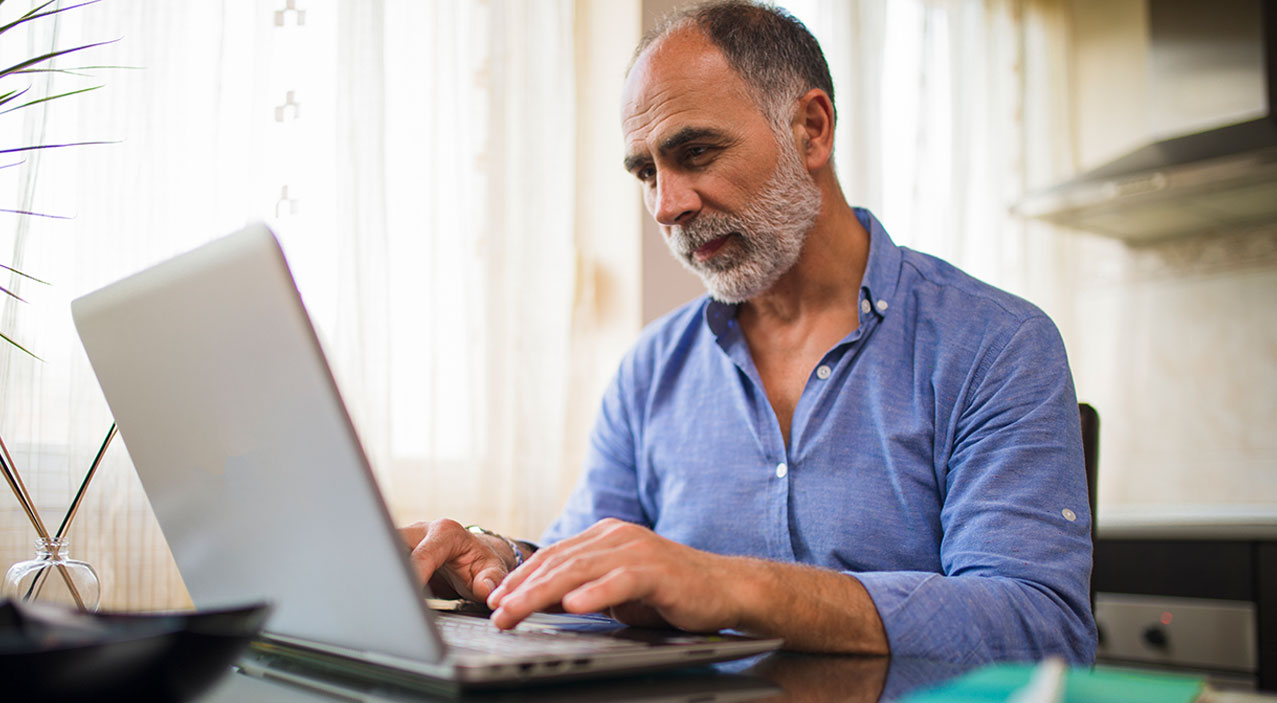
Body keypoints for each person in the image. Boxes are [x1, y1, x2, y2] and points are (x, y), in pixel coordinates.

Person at [403, 0, 1097, 665]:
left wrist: (731, 585)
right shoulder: (650, 369)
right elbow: (587, 573)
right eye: (646, 172)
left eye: (696, 152)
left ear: (812, 128)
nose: (666, 206)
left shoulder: (996, 345)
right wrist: (507, 562)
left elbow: (1038, 626)